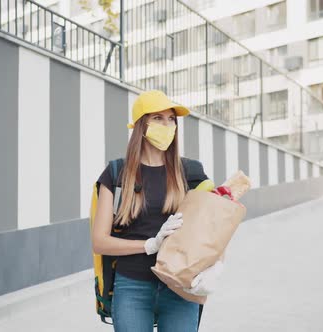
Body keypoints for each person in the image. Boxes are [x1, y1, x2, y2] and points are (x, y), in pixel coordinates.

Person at [92, 90, 224, 332]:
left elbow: (212, 229)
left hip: (180, 287)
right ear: (142, 126)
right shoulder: (116, 174)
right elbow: (99, 242)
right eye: (158, 118)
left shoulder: (191, 173)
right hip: (132, 287)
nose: (167, 125)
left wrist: (214, 264)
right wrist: (150, 244)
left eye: (171, 119)